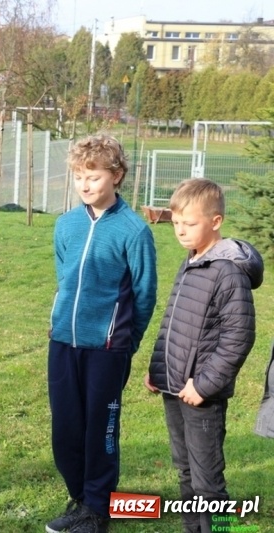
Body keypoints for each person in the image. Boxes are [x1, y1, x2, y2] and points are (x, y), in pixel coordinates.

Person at [46, 134, 158, 533]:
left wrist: (126, 344)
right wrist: (59, 320)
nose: (85, 185)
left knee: (101, 431)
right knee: (66, 430)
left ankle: (99, 510)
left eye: (93, 176)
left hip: (108, 350)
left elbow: (144, 295)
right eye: (79, 176)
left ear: (117, 175)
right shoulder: (66, 225)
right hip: (63, 343)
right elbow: (64, 277)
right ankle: (81, 499)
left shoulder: (134, 231)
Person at [144, 178, 263, 533]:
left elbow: (238, 337)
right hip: (174, 387)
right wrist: (158, 368)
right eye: (177, 222)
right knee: (185, 471)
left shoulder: (227, 272)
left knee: (208, 481)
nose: (181, 231)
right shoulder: (191, 261)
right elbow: (174, 321)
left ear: (215, 222)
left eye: (190, 223)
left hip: (201, 397)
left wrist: (205, 385)